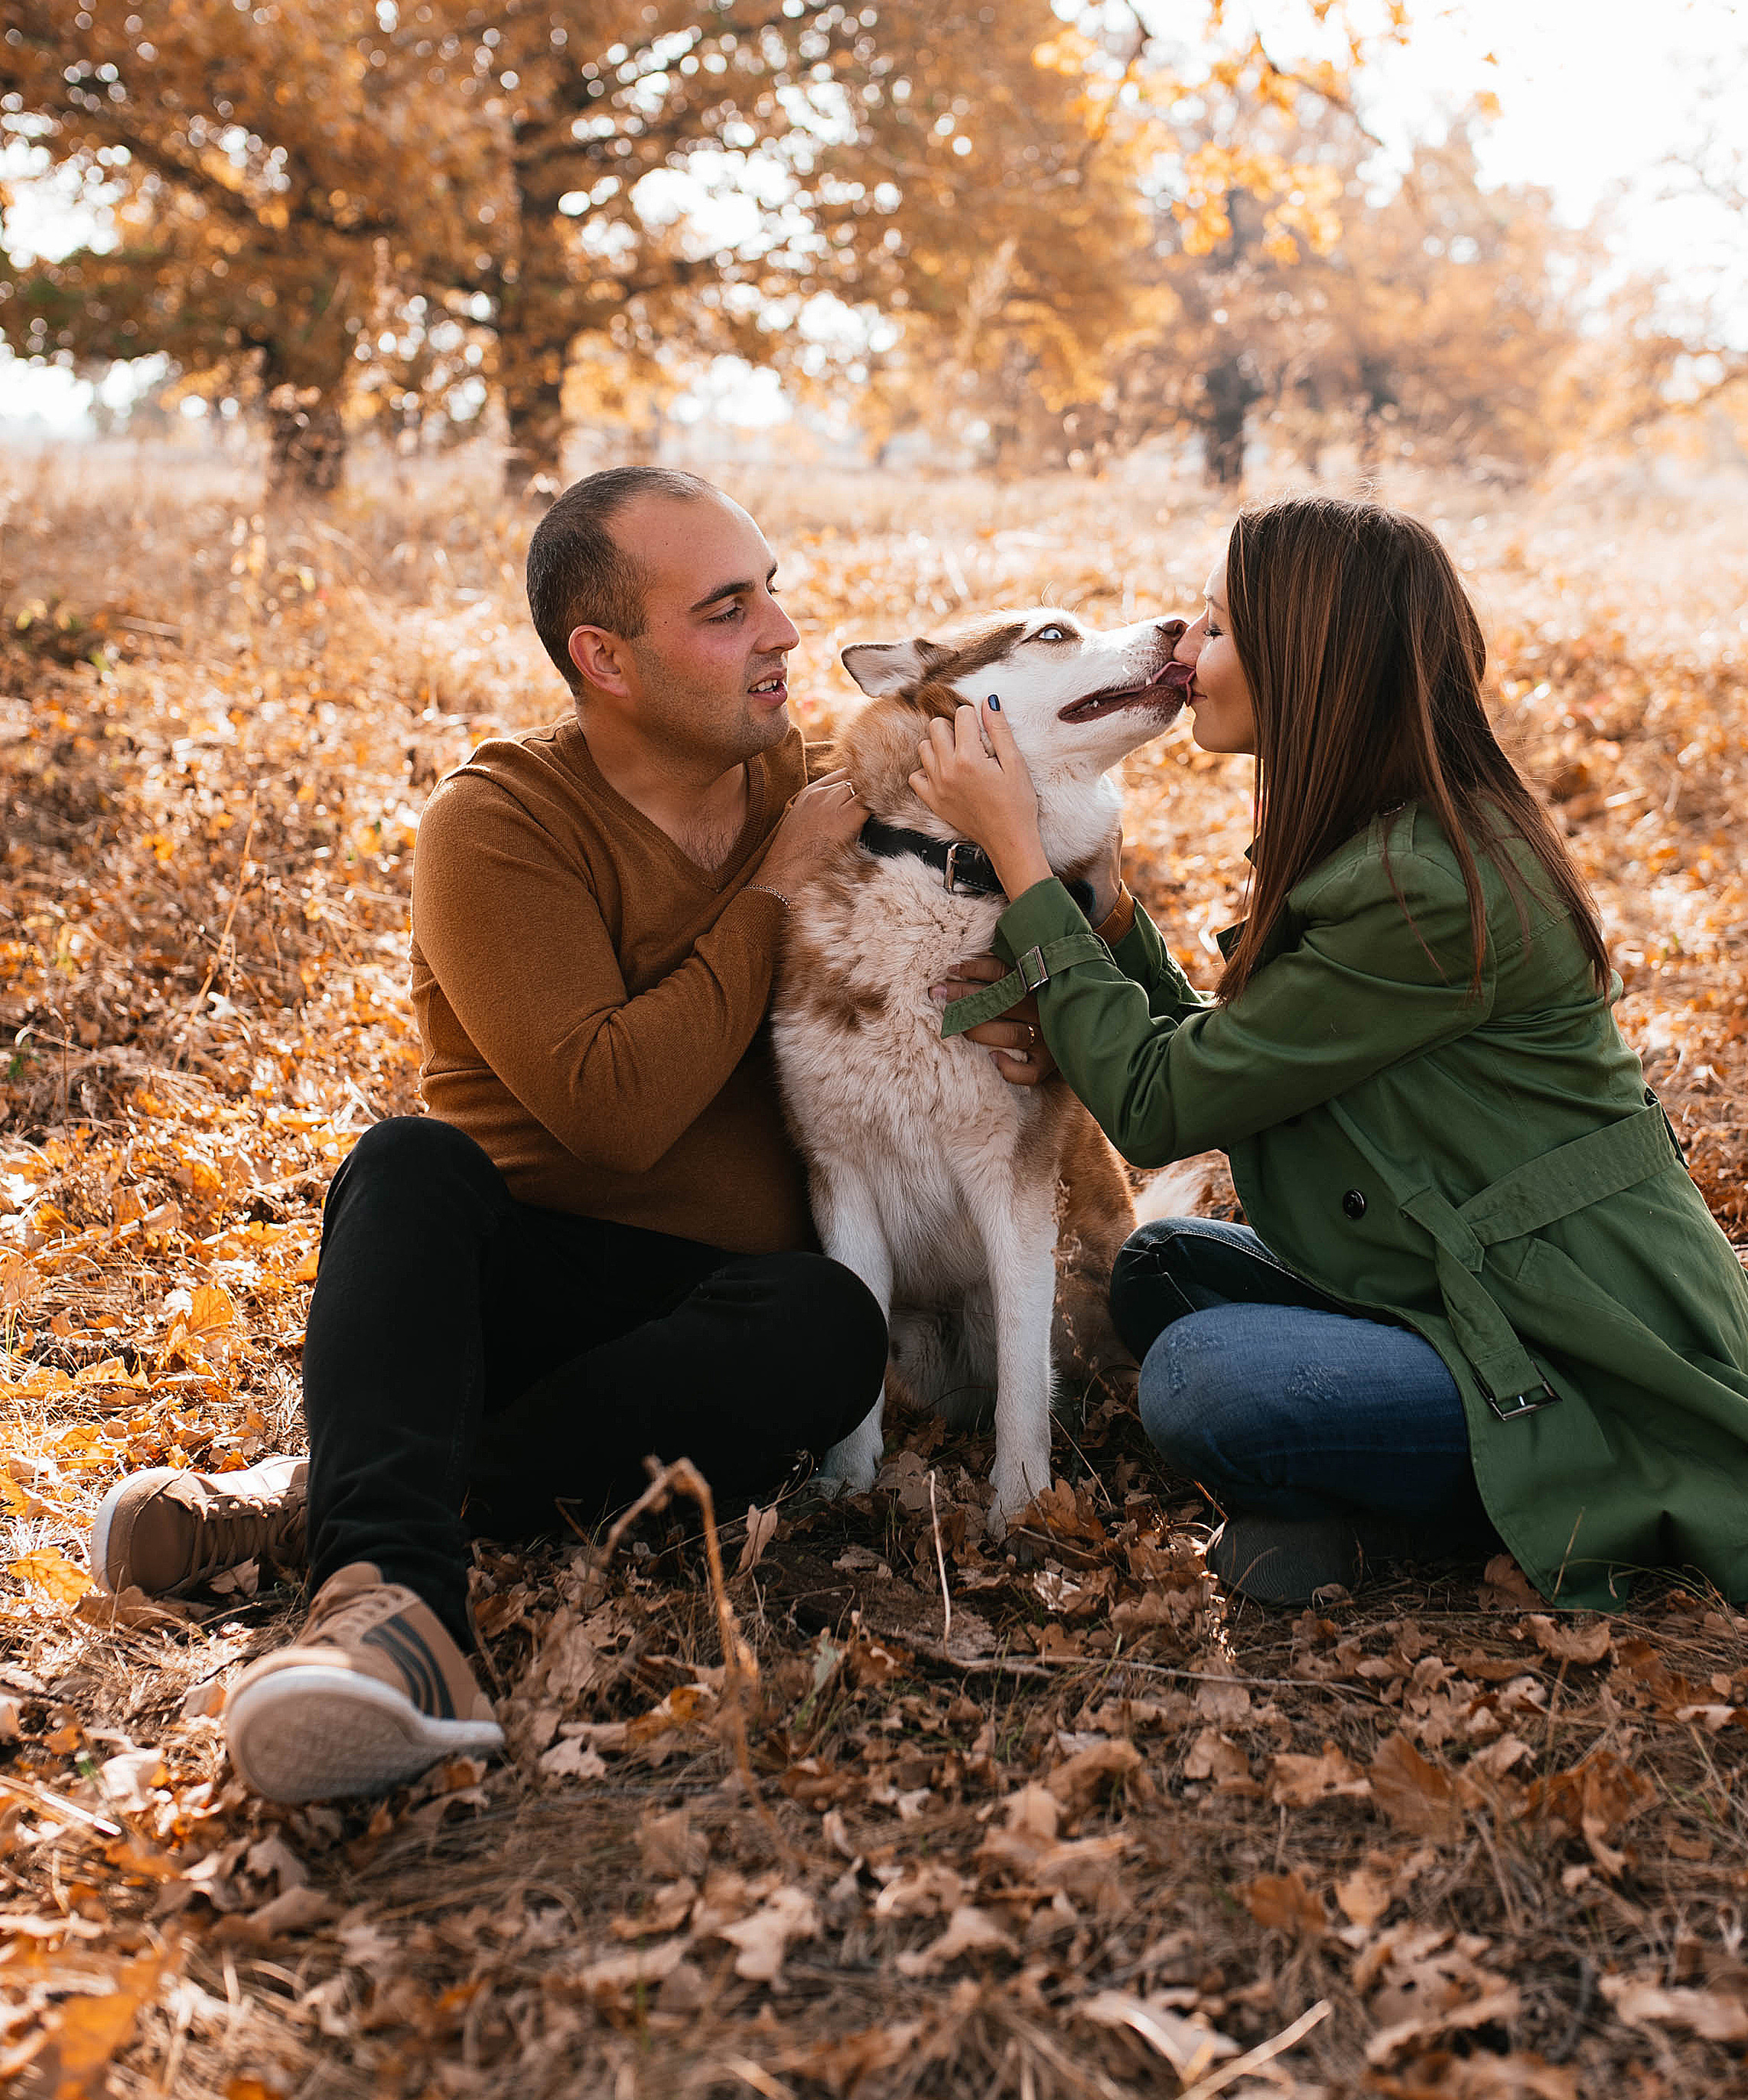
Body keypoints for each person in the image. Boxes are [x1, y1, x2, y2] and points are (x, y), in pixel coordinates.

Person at [86, 469, 1037, 1802]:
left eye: (773, 591)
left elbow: (998, 894)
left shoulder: (799, 783)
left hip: (721, 1318)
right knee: (404, 1165)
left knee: (829, 1324)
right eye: (725, 609)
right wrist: (766, 896)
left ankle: (332, 1494)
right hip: (513, 1286)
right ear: (606, 658)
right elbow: (616, 1110)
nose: (779, 634)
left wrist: (1038, 1007)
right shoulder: (500, 824)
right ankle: (388, 1620)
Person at [915, 496, 1748, 1607]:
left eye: (1215, 630)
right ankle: (1366, 1485)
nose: (1188, 653)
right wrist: (1108, 923)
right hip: (1461, 1285)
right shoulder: (1389, 829)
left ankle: (1515, 1494)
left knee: (1202, 1380)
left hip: (1576, 1339)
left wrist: (1022, 860)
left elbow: (1162, 1105)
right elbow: (1235, 1056)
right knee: (1161, 1269)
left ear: (1308, 666)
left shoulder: (1428, 889)